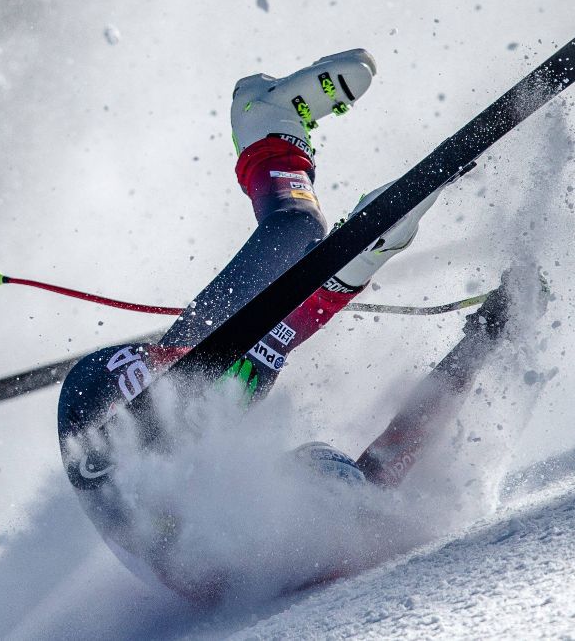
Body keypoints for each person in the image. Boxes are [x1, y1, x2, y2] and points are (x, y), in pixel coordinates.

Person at [56, 49, 514, 601]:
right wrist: (482, 341)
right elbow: (406, 438)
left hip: (115, 425)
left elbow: (387, 443)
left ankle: (268, 127)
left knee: (295, 243)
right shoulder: (337, 515)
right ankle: (347, 232)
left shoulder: (258, 548)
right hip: (154, 423)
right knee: (274, 319)